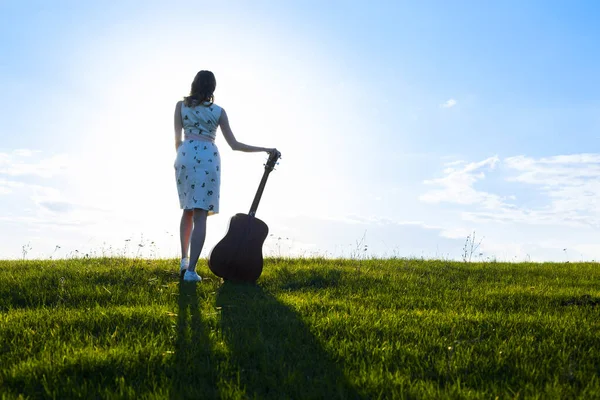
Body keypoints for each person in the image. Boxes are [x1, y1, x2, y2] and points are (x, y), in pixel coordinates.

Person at [174, 70, 278, 282]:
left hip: (184, 157)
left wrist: (185, 155)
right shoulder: (218, 112)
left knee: (187, 210)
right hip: (208, 159)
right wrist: (265, 148)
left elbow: (177, 140)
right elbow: (234, 145)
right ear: (212, 88)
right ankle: (191, 271)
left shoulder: (180, 106)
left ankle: (184, 260)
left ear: (193, 84)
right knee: (200, 215)